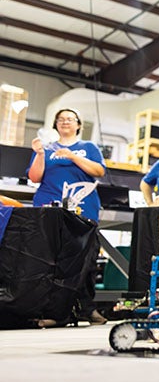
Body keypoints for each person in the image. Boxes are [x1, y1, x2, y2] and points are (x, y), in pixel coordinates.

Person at [27, 108, 107, 325]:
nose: (65, 122)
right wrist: (41, 154)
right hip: (49, 209)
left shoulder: (88, 147)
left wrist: (71, 156)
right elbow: (35, 177)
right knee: (48, 260)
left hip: (82, 210)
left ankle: (87, 309)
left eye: (70, 119)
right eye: (60, 119)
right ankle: (49, 311)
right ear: (55, 124)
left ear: (78, 125)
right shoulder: (46, 148)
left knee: (86, 262)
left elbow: (99, 171)